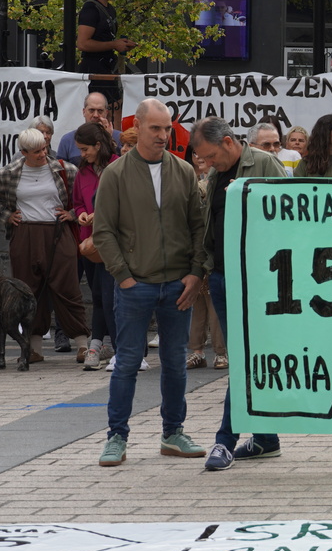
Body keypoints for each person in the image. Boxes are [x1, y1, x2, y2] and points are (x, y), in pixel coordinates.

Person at [93, 99, 207, 467]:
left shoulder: (184, 171)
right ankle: (116, 437)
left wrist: (195, 273)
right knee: (127, 363)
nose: (162, 135)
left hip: (177, 285)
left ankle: (173, 433)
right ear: (137, 127)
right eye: (155, 128)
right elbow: (103, 231)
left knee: (175, 363)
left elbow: (198, 226)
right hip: (135, 286)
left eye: (167, 128)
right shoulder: (116, 174)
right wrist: (123, 277)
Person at [190, 116, 288, 472]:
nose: (207, 163)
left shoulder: (264, 164)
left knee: (245, 360)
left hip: (257, 280)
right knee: (245, 359)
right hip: (222, 277)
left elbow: (289, 217)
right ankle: (265, 438)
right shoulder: (218, 174)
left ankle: (225, 440)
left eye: (211, 156)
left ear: (229, 142)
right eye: (202, 158)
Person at [0, 128, 90, 364]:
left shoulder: (64, 169)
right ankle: (34, 349)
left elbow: (84, 198)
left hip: (58, 232)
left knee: (67, 287)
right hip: (25, 233)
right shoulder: (9, 173)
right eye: (36, 151)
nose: (43, 154)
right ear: (23, 152)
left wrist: (72, 213)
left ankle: (83, 345)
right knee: (29, 290)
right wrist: (7, 216)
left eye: (44, 148)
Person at [71, 123, 120, 371]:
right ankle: (98, 345)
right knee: (98, 295)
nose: (82, 154)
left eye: (85, 149)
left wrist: (99, 216)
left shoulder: (118, 166)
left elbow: (123, 203)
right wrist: (81, 213)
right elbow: (78, 202)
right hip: (89, 244)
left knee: (112, 297)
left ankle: (117, 347)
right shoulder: (82, 171)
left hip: (113, 242)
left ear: (98, 145)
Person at [183, 146, 224, 371]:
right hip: (192, 247)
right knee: (195, 300)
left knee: (214, 303)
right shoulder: (187, 177)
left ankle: (221, 352)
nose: (199, 158)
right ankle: (196, 351)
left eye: (203, 154)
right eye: (194, 154)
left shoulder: (218, 177)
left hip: (212, 246)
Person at [76, 0, 136, 102]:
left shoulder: (110, 9)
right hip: (94, 69)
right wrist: (114, 45)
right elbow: (82, 44)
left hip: (108, 67)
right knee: (103, 108)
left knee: (117, 106)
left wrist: (122, 44)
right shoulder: (90, 9)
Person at [56, 91, 121, 166]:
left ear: (106, 113)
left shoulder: (119, 138)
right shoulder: (67, 140)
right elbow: (60, 170)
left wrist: (108, 138)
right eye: (91, 110)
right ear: (84, 112)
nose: (96, 115)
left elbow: (122, 166)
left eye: (100, 111)